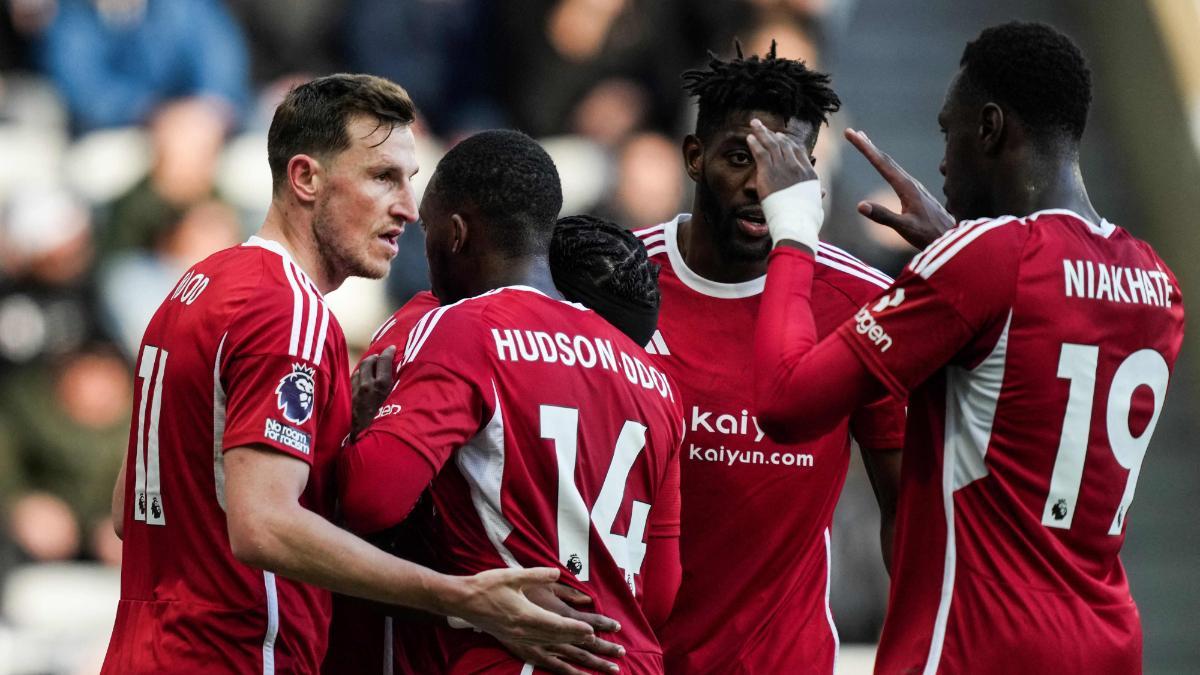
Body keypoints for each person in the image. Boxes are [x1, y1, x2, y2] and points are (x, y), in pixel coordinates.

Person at [101, 74, 598, 675]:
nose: (410, 210)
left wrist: (335, 439)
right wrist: (464, 597)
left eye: (411, 182)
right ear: (305, 178)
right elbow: (262, 527)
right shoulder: (288, 311)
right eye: (382, 177)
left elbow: (130, 511)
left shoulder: (196, 289)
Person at [751, 22, 1184, 674]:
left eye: (948, 131)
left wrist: (791, 225)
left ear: (989, 128)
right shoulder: (1156, 282)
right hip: (1108, 642)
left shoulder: (987, 263)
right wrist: (955, 247)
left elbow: (786, 403)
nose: (944, 160)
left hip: (977, 643)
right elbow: (1033, 339)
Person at [336, 130, 684, 675]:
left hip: (513, 656)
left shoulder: (457, 327)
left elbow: (368, 501)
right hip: (628, 659)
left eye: (427, 232)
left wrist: (361, 427)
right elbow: (660, 592)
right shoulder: (654, 378)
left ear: (455, 232)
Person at [631, 43, 906, 674]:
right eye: (740, 159)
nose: (764, 187)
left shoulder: (860, 302)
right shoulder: (617, 282)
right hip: (627, 658)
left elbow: (906, 512)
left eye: (790, 169)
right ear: (694, 159)